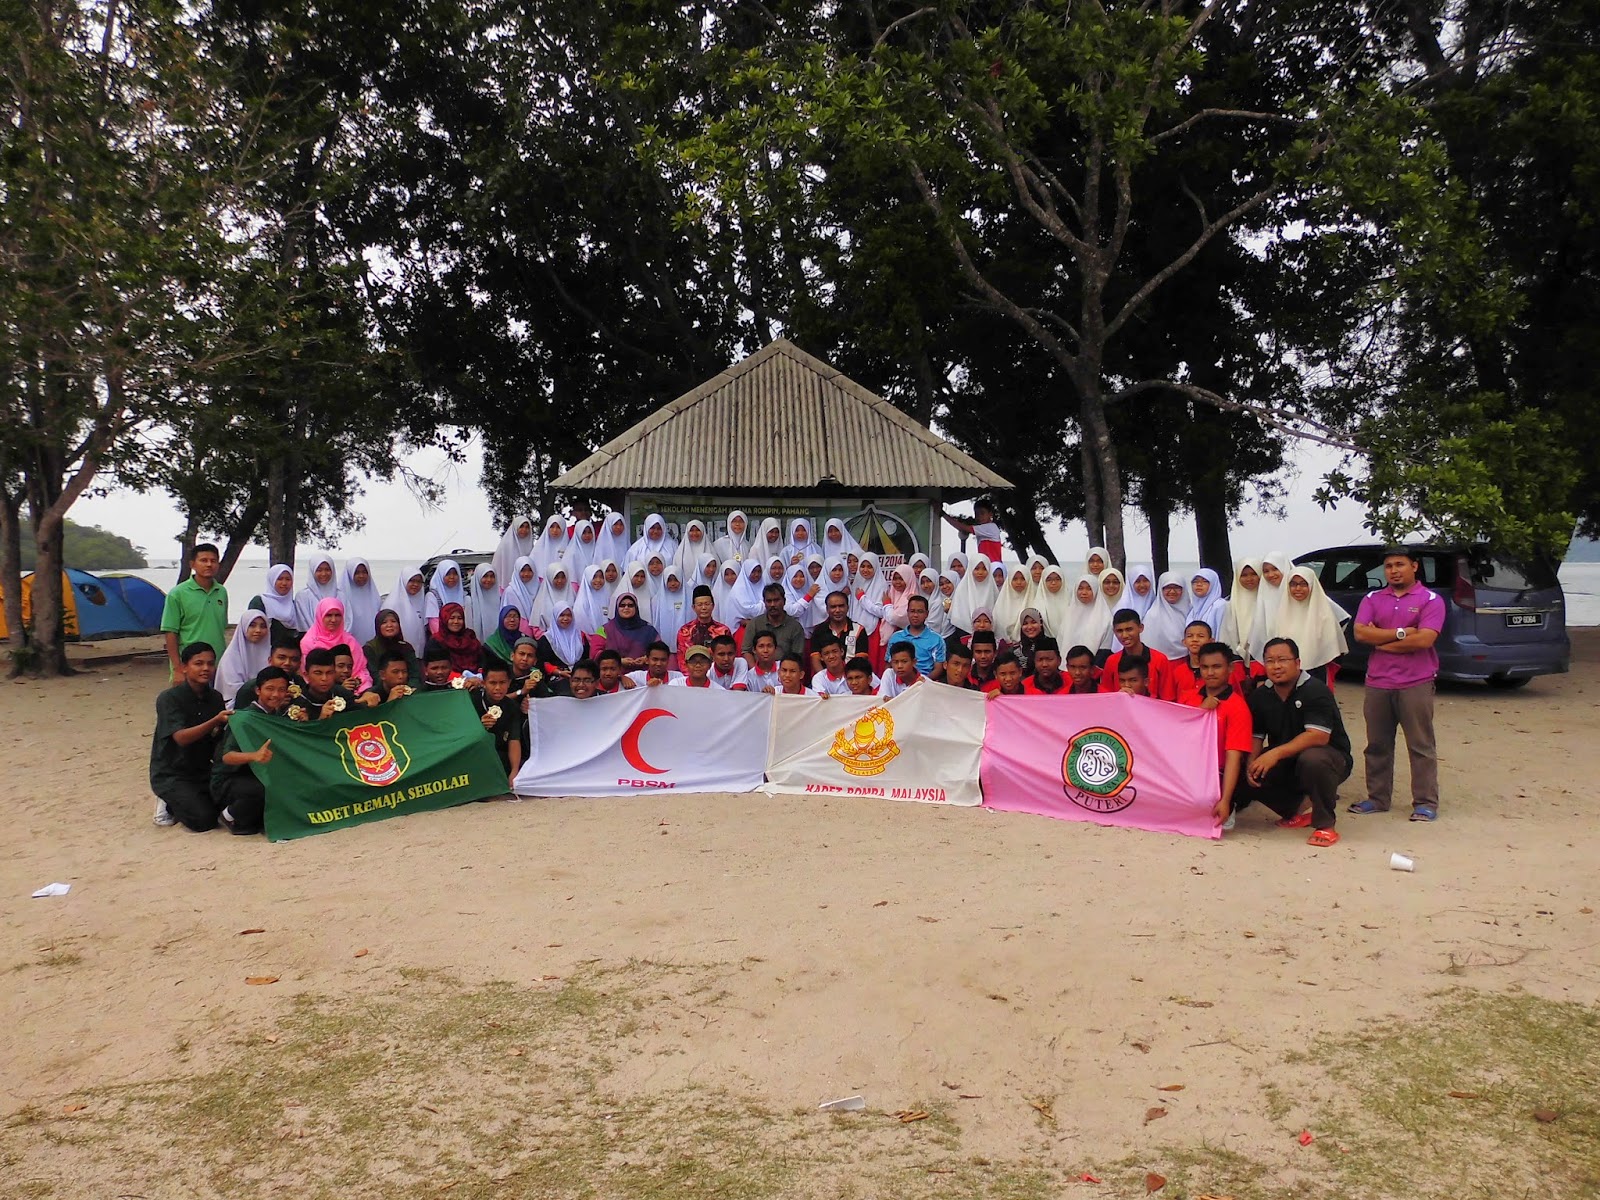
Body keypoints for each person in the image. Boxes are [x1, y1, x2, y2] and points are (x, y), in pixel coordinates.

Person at [1348, 547, 1446, 822]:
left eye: (1400, 564)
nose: (1394, 570)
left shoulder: (1430, 599)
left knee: (1420, 744)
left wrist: (1382, 642)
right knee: (1377, 744)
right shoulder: (1373, 598)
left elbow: (1424, 640)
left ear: (1414, 566)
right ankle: (1377, 798)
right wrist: (1402, 634)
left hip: (1416, 681)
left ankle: (1425, 803)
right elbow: (1360, 632)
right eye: (1389, 566)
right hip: (1378, 681)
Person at [1244, 637, 1353, 847]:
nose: (1276, 666)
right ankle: (1295, 810)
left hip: (1329, 758)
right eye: (1270, 661)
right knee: (1244, 765)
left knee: (1313, 758)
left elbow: (1318, 736)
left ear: (1298, 663)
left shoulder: (1315, 690)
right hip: (1288, 759)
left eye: (1282, 660)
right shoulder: (1260, 695)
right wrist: (1252, 762)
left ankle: (1325, 826)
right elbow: (1256, 736)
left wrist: (1273, 754)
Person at [150, 641, 228, 829]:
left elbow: (218, 738)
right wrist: (215, 720)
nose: (205, 668)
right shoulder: (169, 699)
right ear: (184, 667)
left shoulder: (215, 697)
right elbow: (181, 737)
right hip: (173, 772)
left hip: (202, 769)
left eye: (210, 663)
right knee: (203, 821)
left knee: (235, 802)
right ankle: (167, 803)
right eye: (198, 663)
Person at [1182, 642, 1255, 832]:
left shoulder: (1238, 707)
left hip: (1217, 773)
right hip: (1187, 766)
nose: (1210, 672)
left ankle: (1231, 805)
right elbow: (1177, 737)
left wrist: (1225, 800)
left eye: (1217, 667)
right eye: (1205, 667)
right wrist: (1199, 712)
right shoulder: (1187, 698)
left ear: (1230, 668)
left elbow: (1233, 757)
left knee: (1201, 801)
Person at [211, 666, 292, 836]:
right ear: (257, 690)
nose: (276, 695)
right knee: (264, 790)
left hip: (255, 774)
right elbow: (227, 757)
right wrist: (254, 756)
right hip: (230, 779)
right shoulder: (243, 718)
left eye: (281, 690)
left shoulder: (277, 716)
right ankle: (229, 815)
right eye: (270, 689)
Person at [161, 544, 229, 682]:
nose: (209, 564)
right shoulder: (177, 594)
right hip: (190, 666)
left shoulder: (221, 592)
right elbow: (170, 633)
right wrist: (177, 668)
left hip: (217, 665)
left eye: (213, 560)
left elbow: (221, 628)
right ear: (192, 564)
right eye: (203, 560)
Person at [1271, 566, 1349, 679]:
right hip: (1286, 671)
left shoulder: (1324, 614)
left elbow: (1332, 647)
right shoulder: (1281, 611)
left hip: (1318, 670)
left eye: (1303, 584)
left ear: (1312, 585)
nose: (1298, 588)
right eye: (1293, 584)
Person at [1099, 608, 1180, 702]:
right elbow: (1106, 697)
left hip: (1153, 713)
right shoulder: (1112, 661)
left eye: (1129, 629)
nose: (1124, 635)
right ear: (1114, 631)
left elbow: (1168, 698)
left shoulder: (1160, 659)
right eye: (1119, 631)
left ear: (1141, 628)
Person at [300, 597, 375, 692]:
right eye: (328, 615)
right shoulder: (309, 642)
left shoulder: (350, 641)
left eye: (338, 615)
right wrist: (338, 689)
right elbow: (309, 676)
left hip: (353, 690)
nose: (333, 620)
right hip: (321, 693)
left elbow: (361, 670)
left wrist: (355, 684)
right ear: (320, 616)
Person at [474, 662, 524, 788]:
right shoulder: (472, 701)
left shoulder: (511, 707)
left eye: (502, 683)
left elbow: (514, 740)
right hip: (476, 755)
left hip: (499, 755)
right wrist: (480, 727)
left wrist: (514, 771)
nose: (498, 688)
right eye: (492, 683)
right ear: (484, 683)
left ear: (509, 683)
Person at [740, 583, 806, 668]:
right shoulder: (754, 624)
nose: (772, 605)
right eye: (769, 601)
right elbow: (746, 651)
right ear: (764, 602)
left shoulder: (795, 627)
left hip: (784, 674)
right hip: (757, 671)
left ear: (784, 601)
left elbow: (797, 656)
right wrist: (755, 673)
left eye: (776, 600)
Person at [216, 611, 272, 709]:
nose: (258, 630)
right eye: (252, 625)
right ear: (243, 627)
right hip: (237, 707)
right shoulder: (231, 657)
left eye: (263, 626)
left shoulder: (271, 653)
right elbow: (232, 690)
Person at [285, 648, 357, 721]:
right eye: (318, 673)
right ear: (306, 675)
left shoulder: (342, 693)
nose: (324, 678)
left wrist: (367, 694)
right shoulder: (297, 703)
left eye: (329, 673)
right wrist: (321, 720)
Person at [534, 603, 593, 688]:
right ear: (555, 617)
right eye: (561, 615)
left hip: (580, 675)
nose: (566, 618)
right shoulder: (547, 639)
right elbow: (542, 663)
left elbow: (586, 658)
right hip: (558, 677)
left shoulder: (580, 636)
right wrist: (558, 672)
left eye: (569, 615)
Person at [809, 589, 868, 673]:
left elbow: (861, 661)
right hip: (825, 679)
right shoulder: (819, 631)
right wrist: (825, 680)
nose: (837, 610)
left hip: (851, 679)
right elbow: (815, 660)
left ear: (847, 607)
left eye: (841, 606)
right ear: (827, 609)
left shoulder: (859, 630)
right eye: (833, 607)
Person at [601, 590, 659, 672]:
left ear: (636, 608)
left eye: (630, 605)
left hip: (643, 676)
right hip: (614, 676)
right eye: (622, 605)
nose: (626, 608)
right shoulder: (605, 629)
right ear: (617, 608)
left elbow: (659, 651)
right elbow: (596, 654)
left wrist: (646, 658)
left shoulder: (649, 629)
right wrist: (618, 661)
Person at [1219, 558, 1263, 661]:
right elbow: (1227, 636)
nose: (1249, 578)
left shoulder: (1267, 601)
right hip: (1239, 659)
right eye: (1244, 575)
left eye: (1254, 574)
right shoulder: (1231, 604)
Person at [676, 584, 733, 664]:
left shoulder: (723, 631)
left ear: (713, 606)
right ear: (693, 607)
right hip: (692, 674)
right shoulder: (685, 631)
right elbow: (682, 659)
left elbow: (729, 656)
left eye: (707, 604)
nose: (703, 608)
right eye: (699, 605)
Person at [893, 596, 947, 679]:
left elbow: (938, 669)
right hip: (898, 683)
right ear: (907, 612)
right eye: (912, 611)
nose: (915, 615)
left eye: (920, 612)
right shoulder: (896, 637)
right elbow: (889, 665)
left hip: (925, 683)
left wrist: (921, 682)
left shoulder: (936, 639)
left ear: (927, 614)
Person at [363, 608, 420, 688]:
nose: (389, 625)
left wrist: (408, 689)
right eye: (384, 622)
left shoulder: (406, 647)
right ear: (378, 626)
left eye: (393, 621)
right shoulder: (370, 648)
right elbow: (374, 676)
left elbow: (415, 674)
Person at [1142, 572, 1192, 657]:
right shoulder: (1153, 615)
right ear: (1161, 590)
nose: (1172, 591)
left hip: (1188, 662)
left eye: (1177, 587)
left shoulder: (1191, 612)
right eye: (1167, 587)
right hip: (1161, 663)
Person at [430, 601, 484, 676]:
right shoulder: (436, 641)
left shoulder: (470, 638)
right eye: (452, 618)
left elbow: (482, 662)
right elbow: (435, 668)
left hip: (475, 681)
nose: (456, 622)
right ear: (444, 619)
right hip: (447, 682)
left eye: (459, 618)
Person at [340, 558, 384, 646]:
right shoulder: (341, 596)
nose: (361, 575)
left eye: (364, 572)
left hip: (373, 646)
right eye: (357, 572)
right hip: (348, 645)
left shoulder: (373, 595)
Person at [383, 565, 430, 648]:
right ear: (404, 581)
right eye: (411, 581)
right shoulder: (392, 604)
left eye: (419, 581)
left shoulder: (421, 602)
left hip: (419, 654)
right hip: (398, 653)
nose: (415, 584)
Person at [255, 564, 301, 638]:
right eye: (279, 579)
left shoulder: (294, 605)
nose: (284, 583)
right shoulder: (260, 602)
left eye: (288, 579)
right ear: (272, 580)